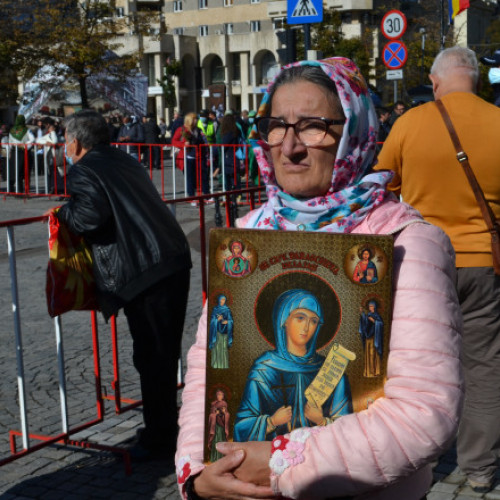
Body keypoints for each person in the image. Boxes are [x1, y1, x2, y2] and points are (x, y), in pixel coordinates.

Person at [176, 57, 462, 500]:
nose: (289, 146)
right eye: (276, 125)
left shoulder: (406, 240)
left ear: (354, 132)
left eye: (313, 126)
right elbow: (207, 372)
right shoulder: (249, 234)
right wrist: (196, 474)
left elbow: (423, 412)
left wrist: (279, 461)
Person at [375, 46, 500, 494]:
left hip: (421, 263)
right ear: (477, 81)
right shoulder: (498, 122)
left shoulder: (409, 124)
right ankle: (481, 466)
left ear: (435, 81)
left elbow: (380, 187)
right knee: (484, 363)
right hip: (484, 261)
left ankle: (412, 457)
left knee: (414, 362)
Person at [56, 110, 192, 462]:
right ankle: (163, 426)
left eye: (65, 139)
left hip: (144, 267)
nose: (64, 146)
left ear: (75, 141)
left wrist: (61, 213)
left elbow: (88, 216)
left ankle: (162, 436)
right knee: (160, 353)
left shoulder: (83, 168)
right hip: (169, 258)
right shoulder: (123, 158)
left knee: (153, 355)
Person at [233, 289, 352, 443]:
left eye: (314, 321)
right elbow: (241, 427)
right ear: (284, 320)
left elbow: (349, 430)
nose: (307, 327)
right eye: (300, 318)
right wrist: (271, 422)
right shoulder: (263, 370)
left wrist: (322, 421)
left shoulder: (331, 372)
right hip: (270, 459)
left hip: (321, 459)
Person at [171, 112, 208, 203]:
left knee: (203, 176)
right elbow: (174, 141)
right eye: (195, 119)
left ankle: (207, 195)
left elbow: (204, 141)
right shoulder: (182, 129)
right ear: (190, 120)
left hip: (199, 156)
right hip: (187, 157)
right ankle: (191, 197)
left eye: (197, 119)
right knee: (190, 178)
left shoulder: (198, 130)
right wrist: (183, 144)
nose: (197, 120)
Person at [8, 114, 34, 193]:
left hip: (14, 152)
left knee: (13, 171)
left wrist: (9, 152)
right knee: (21, 171)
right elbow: (32, 139)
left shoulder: (12, 130)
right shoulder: (26, 130)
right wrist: (25, 145)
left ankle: (11, 189)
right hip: (22, 152)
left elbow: (10, 142)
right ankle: (20, 190)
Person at [358, 300, 384, 377]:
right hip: (368, 338)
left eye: (372, 306)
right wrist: (362, 314)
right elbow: (365, 322)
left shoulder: (377, 316)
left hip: (374, 338)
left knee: (373, 355)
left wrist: (375, 322)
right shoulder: (368, 315)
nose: (370, 308)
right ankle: (368, 372)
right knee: (368, 355)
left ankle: (375, 372)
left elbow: (381, 324)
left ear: (375, 307)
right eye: (369, 306)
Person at [208, 294, 234, 369]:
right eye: (221, 300)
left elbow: (231, 321)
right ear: (219, 300)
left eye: (224, 300)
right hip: (217, 333)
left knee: (223, 349)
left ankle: (224, 365)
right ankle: (216, 365)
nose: (222, 301)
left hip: (225, 333)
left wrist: (227, 322)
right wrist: (217, 320)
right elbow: (212, 321)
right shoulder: (215, 309)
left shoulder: (227, 310)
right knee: (216, 348)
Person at [207, 389, 230, 462]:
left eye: (221, 395)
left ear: (223, 396)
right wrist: (215, 414)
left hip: (222, 427)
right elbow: (211, 415)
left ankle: (222, 458)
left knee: (221, 440)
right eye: (218, 395)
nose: (219, 396)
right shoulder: (213, 404)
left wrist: (224, 413)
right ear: (216, 396)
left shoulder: (224, 404)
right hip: (215, 426)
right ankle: (214, 458)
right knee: (215, 441)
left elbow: (227, 414)